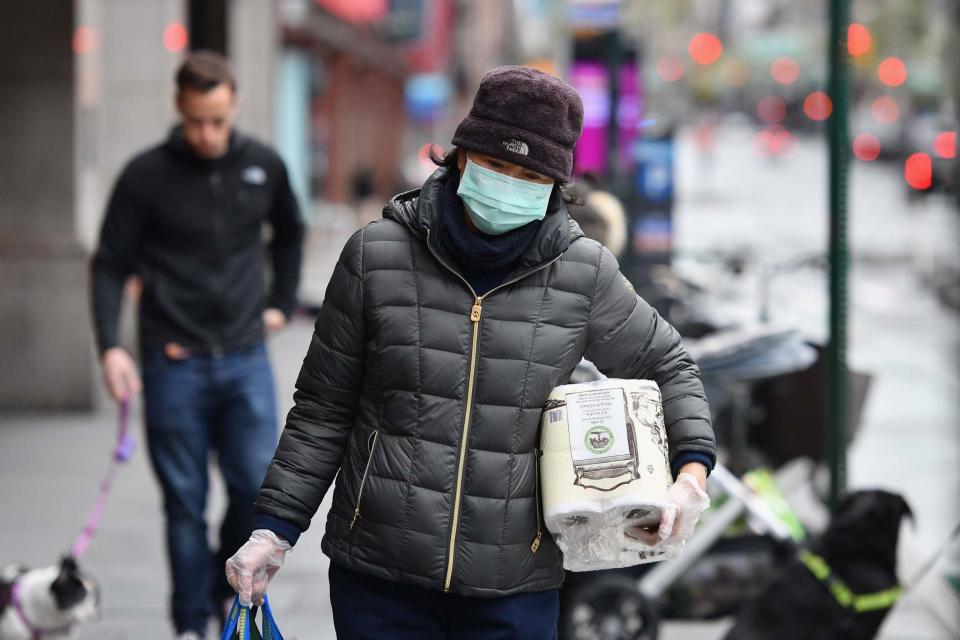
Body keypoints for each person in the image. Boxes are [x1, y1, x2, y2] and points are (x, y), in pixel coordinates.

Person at [226, 65, 715, 638]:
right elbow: (323, 407)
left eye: (528, 173)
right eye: (495, 164)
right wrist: (273, 529)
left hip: (514, 586)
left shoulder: (583, 275)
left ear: (555, 185)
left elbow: (669, 364)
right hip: (379, 576)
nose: (508, 182)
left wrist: (691, 474)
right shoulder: (375, 256)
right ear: (460, 157)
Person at [90, 51, 304, 639]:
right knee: (183, 506)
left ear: (233, 105)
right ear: (179, 110)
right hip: (172, 362)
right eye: (195, 121)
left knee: (253, 492)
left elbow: (290, 234)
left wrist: (281, 304)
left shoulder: (263, 165)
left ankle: (217, 589)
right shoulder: (145, 175)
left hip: (244, 358)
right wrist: (111, 345)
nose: (207, 134)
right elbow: (109, 264)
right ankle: (190, 625)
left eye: (216, 120)